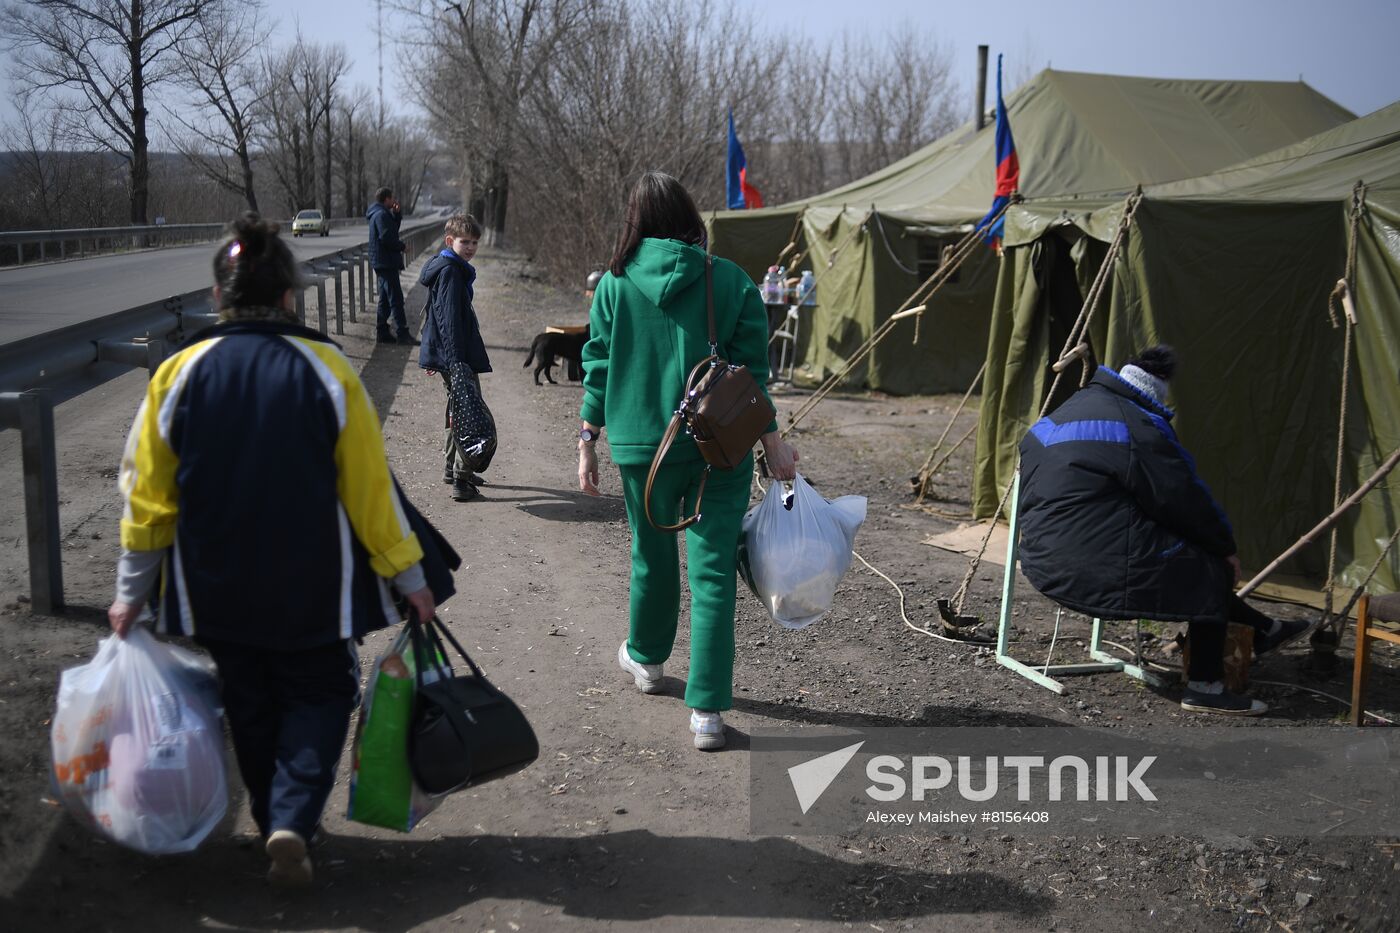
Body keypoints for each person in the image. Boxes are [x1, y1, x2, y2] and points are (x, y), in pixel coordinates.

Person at [107, 213, 436, 888]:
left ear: (218, 297)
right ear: (289, 295)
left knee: (248, 699)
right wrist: (411, 576)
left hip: (215, 586)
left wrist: (129, 590)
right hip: (314, 583)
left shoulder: (176, 373)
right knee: (321, 691)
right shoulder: (327, 370)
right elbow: (372, 494)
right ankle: (293, 815)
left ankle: (270, 816)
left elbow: (147, 497)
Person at [576, 171, 799, 750]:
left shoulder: (614, 285)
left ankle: (647, 662)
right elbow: (753, 374)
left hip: (638, 447)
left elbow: (596, 365)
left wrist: (587, 436)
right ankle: (707, 714)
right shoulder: (729, 281)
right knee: (713, 574)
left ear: (637, 222)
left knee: (650, 557)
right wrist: (771, 439)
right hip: (717, 448)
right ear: (690, 218)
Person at [1016, 345, 1309, 716]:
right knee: (1209, 569)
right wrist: (1224, 548)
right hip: (1082, 570)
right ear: (1156, 393)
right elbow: (1183, 498)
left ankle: (1266, 630)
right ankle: (1205, 688)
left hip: (1039, 556)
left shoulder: (1071, 406)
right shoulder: (1138, 425)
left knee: (1179, 555)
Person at [419, 213, 495, 502]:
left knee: (457, 409)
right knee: (469, 414)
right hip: (456, 356)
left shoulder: (450, 267)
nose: (471, 247)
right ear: (450, 241)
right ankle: (461, 481)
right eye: (466, 242)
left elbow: (435, 316)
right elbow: (448, 321)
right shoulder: (451, 272)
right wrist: (454, 361)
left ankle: (453, 468)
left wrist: (435, 356)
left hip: (451, 354)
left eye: (475, 242)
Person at [367, 187, 411, 344]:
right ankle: (402, 333)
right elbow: (387, 237)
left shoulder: (381, 214)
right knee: (396, 298)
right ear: (386, 199)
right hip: (385, 262)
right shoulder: (381, 215)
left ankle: (382, 332)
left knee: (385, 298)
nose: (394, 201)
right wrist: (402, 247)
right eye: (392, 199)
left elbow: (392, 231)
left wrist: (397, 215)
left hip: (383, 261)